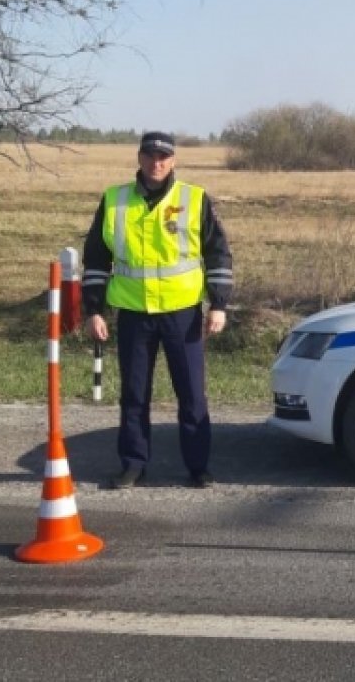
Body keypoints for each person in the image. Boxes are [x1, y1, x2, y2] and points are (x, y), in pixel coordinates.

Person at [81, 132, 234, 489]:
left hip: (183, 313)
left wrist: (219, 304)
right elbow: (96, 259)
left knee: (192, 394)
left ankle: (198, 467)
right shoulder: (115, 200)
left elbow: (218, 254)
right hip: (134, 312)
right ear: (139, 158)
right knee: (134, 394)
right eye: (150, 155)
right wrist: (94, 310)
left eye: (163, 156)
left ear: (173, 160)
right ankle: (133, 464)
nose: (156, 162)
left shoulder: (194, 198)